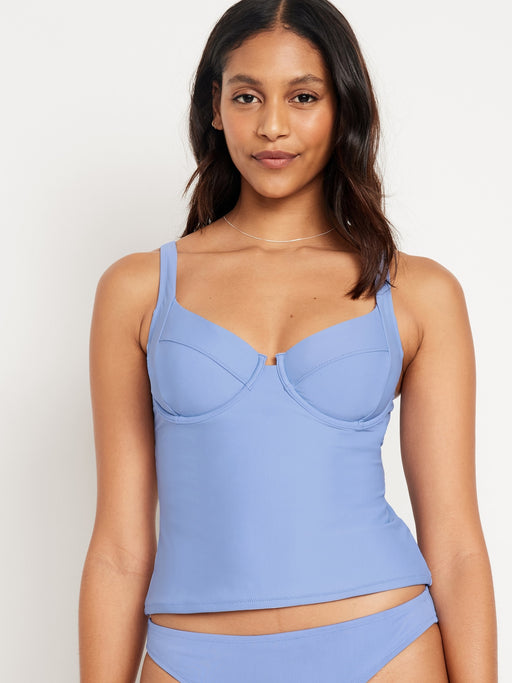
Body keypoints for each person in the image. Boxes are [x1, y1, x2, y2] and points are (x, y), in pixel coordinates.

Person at [78, 1, 497, 681]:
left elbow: (455, 545)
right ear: (216, 108)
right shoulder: (138, 289)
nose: (272, 125)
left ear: (342, 108)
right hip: (192, 656)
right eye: (247, 96)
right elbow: (120, 550)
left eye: (303, 97)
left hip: (383, 645)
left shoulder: (418, 291)